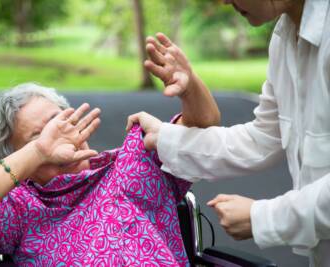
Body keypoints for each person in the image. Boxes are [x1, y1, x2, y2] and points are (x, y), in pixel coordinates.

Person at [127, 0, 330, 265]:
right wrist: (165, 138)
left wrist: (262, 218)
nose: (224, 1)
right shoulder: (285, 38)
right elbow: (262, 140)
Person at [0, 82, 220, 266]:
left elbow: (202, 130)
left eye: (59, 122)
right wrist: (39, 151)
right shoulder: (22, 208)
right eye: (39, 135)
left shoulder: (133, 160)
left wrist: (189, 86)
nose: (60, 136)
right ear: (17, 162)